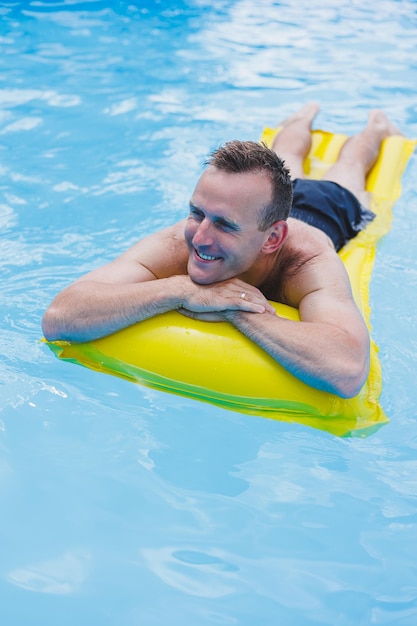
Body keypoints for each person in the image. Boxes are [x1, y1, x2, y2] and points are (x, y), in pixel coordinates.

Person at [42, 103, 402, 398]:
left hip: (325, 210)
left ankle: (376, 126)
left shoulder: (306, 263)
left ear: (273, 240)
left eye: (224, 226)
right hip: (256, 206)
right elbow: (60, 316)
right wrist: (180, 289)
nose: (200, 238)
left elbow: (347, 370)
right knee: (284, 152)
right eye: (196, 212)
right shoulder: (177, 242)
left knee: (350, 166)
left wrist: (237, 308)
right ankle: (303, 116)